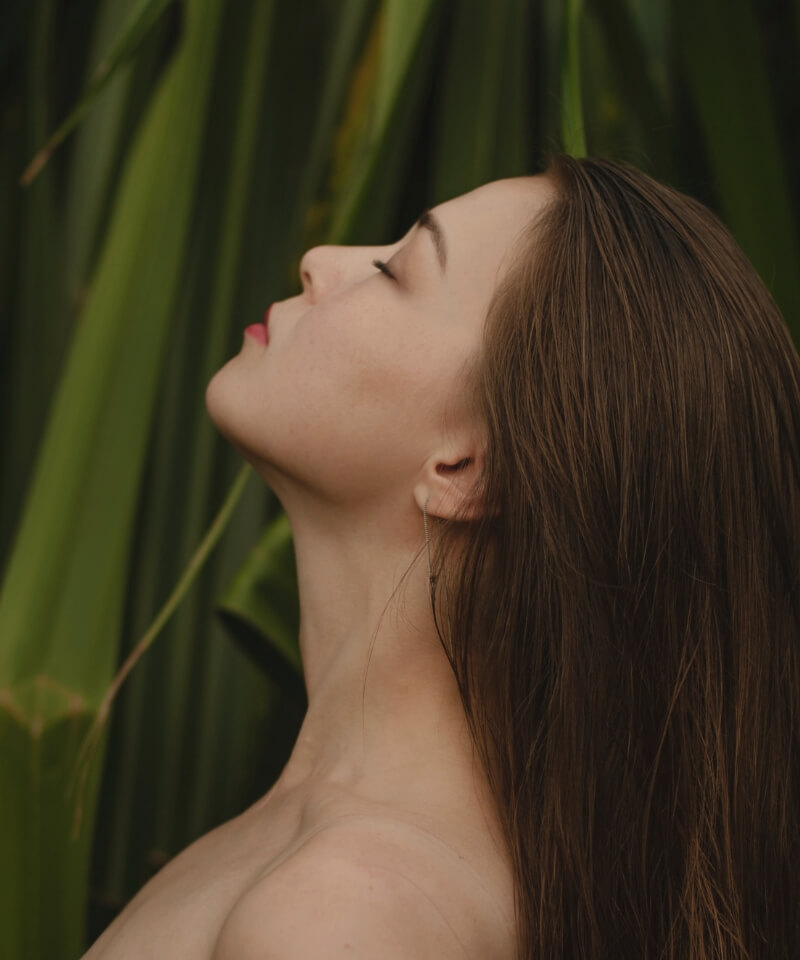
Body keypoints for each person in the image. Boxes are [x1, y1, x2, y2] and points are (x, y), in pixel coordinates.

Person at [84, 155, 800, 959]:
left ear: (465, 469)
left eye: (395, 271)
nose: (319, 261)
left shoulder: (342, 915)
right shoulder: (307, 862)